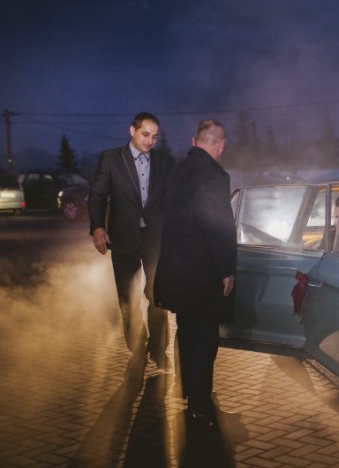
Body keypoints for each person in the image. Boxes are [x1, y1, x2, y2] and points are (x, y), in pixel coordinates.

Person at [154, 119, 236, 425]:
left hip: (175, 269)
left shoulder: (176, 171)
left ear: (194, 141)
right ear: (220, 145)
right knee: (204, 338)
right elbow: (215, 225)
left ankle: (186, 389)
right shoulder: (214, 175)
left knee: (186, 332)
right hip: (202, 273)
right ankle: (200, 406)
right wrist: (226, 268)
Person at [88, 112, 174, 370]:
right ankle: (137, 349)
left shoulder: (164, 162)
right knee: (128, 298)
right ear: (132, 131)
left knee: (158, 296)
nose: (150, 141)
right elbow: (97, 194)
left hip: (156, 239)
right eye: (145, 134)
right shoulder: (111, 159)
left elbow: (174, 198)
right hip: (124, 238)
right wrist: (97, 226)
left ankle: (158, 350)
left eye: (155, 136)